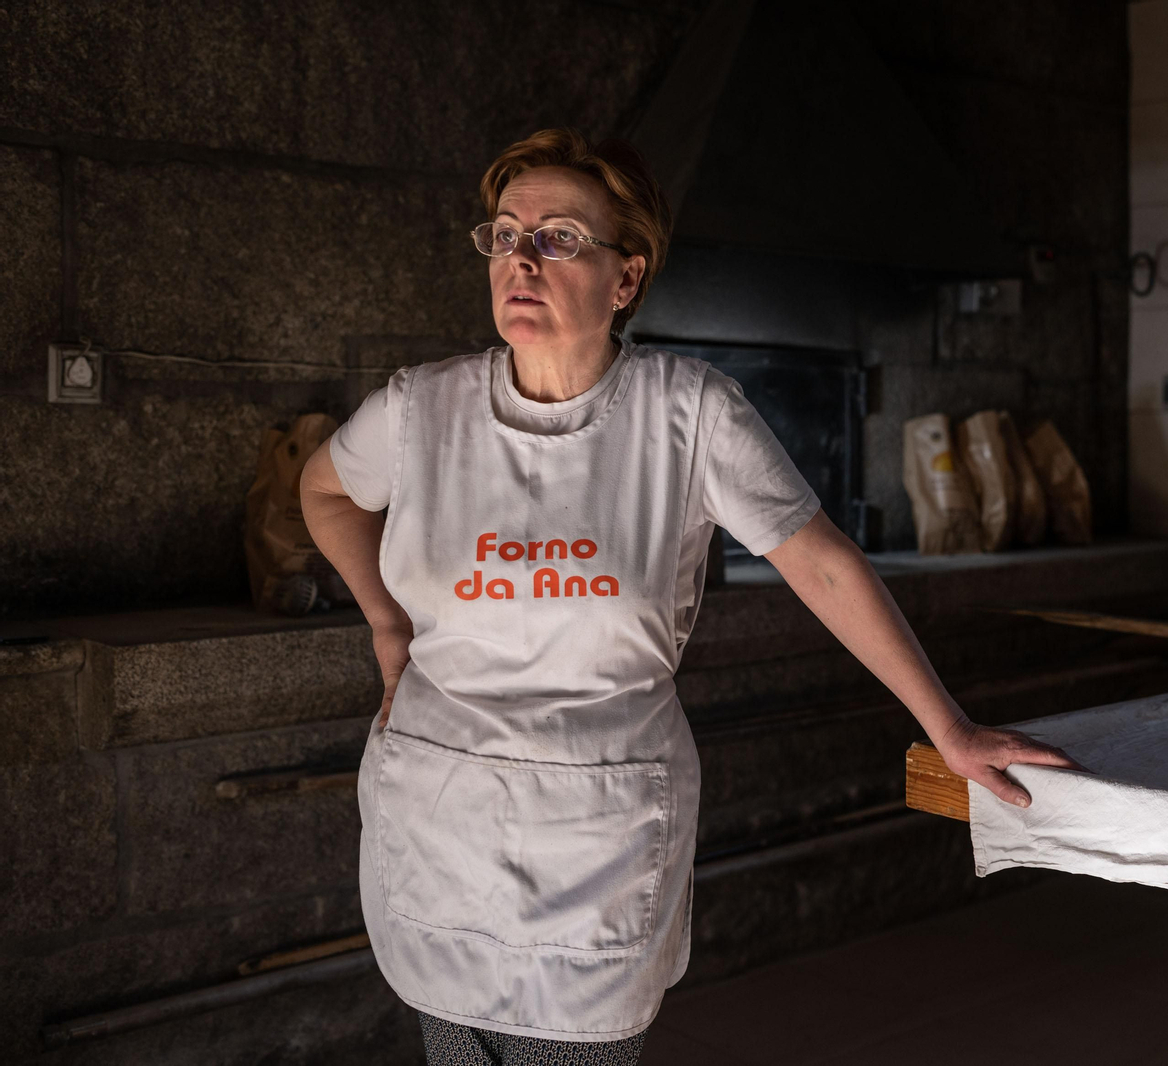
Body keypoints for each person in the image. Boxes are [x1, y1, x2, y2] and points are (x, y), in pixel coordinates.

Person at [300, 128, 1087, 1066]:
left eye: (557, 238)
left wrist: (948, 729)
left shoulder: (689, 414)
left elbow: (824, 565)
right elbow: (324, 490)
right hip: (441, 811)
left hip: (592, 835)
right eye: (506, 235)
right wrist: (387, 625)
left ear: (625, 278)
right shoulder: (419, 409)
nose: (521, 260)